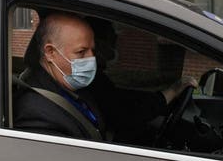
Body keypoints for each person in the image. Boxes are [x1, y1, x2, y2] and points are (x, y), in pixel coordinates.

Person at [13, 12, 197, 141]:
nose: (91, 59)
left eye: (93, 50)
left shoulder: (72, 86)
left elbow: (120, 106)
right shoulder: (36, 114)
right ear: (51, 53)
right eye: (81, 52)